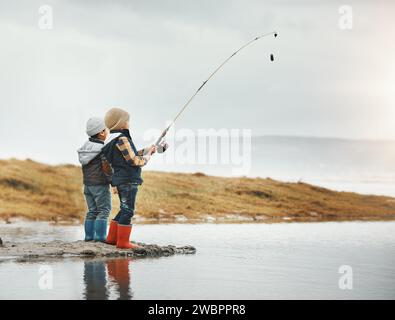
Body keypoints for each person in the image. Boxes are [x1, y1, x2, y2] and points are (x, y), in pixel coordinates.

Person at [101, 107, 156, 249]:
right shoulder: (123, 138)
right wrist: (147, 157)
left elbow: (126, 155)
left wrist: (147, 150)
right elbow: (133, 160)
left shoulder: (111, 141)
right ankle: (123, 242)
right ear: (121, 123)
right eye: (127, 121)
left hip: (120, 180)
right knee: (128, 210)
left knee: (124, 208)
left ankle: (112, 238)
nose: (129, 123)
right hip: (128, 180)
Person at [77, 117, 112, 242]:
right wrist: (113, 182)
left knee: (92, 211)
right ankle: (100, 238)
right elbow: (106, 168)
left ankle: (89, 237)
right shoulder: (102, 149)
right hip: (100, 184)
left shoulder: (85, 148)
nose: (107, 132)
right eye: (106, 130)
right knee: (104, 210)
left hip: (88, 185)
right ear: (101, 132)